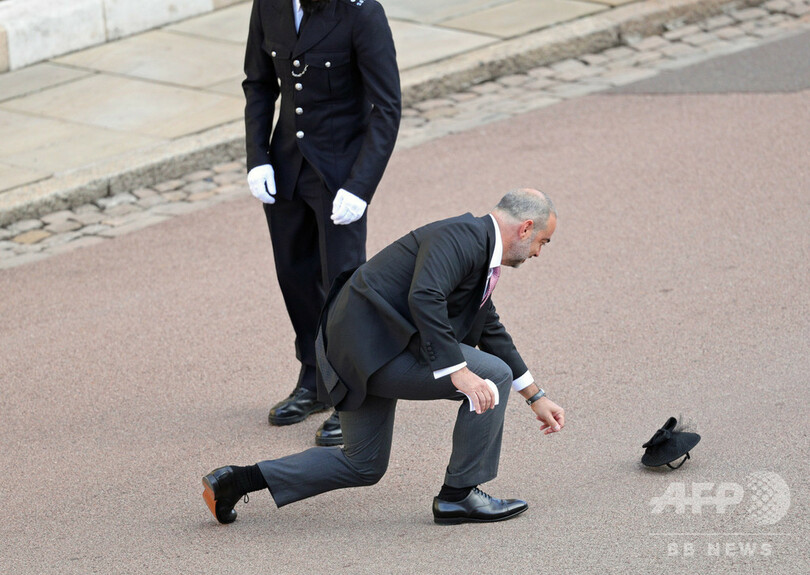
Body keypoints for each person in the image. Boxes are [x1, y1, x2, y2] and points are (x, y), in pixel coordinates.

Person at [203, 188, 566, 525]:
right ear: (525, 228)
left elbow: (490, 329)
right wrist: (460, 372)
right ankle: (459, 495)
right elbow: (426, 297)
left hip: (363, 351)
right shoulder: (461, 238)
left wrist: (536, 396)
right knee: (492, 376)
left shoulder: (477, 247)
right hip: (372, 351)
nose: (538, 252)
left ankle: (237, 480)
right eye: (543, 242)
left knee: (362, 464)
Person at [243, 0, 401, 445]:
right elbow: (258, 84)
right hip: (286, 168)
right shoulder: (269, 4)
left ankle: (351, 394)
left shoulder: (361, 11)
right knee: (293, 275)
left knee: (345, 288)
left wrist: (361, 185)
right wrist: (258, 157)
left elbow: (387, 107)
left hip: (341, 174)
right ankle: (314, 379)